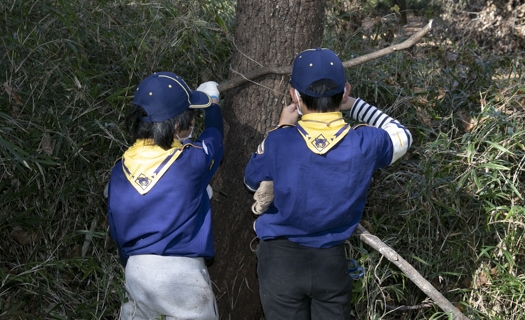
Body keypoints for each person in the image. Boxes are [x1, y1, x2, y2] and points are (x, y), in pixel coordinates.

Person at [244, 48, 413, 320]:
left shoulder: (280, 141)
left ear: (294, 96)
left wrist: (282, 128)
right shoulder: (364, 142)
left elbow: (251, 181)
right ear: (344, 91)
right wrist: (356, 105)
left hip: (279, 262)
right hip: (330, 263)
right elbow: (403, 135)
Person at [106, 71, 223, 320]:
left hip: (135, 273)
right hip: (181, 276)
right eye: (190, 119)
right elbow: (214, 139)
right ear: (178, 125)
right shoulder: (191, 161)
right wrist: (212, 105)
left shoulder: (119, 170)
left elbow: (116, 229)